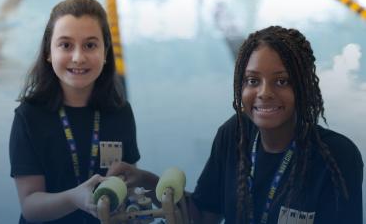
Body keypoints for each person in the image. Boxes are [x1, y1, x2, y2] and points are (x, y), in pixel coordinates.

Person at [108, 26, 363, 224]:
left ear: (304, 87)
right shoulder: (234, 134)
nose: (264, 93)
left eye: (282, 81)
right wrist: (147, 181)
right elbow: (203, 215)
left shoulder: (337, 157)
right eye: (252, 80)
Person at [9, 0, 140, 224]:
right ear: (49, 52)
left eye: (90, 45)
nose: (78, 57)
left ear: (106, 51)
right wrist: (73, 198)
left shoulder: (120, 112)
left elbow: (126, 183)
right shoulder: (29, 117)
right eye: (66, 45)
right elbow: (30, 207)